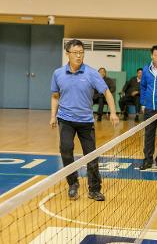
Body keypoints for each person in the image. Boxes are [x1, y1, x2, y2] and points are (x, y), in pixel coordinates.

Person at [49, 39, 119, 202]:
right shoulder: (58, 73)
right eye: (75, 53)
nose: (79, 56)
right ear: (68, 54)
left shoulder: (91, 73)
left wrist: (113, 113)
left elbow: (107, 92)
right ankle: (73, 184)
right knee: (66, 151)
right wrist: (53, 115)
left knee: (91, 156)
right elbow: (54, 96)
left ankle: (94, 189)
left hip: (86, 121)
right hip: (65, 119)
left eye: (81, 53)